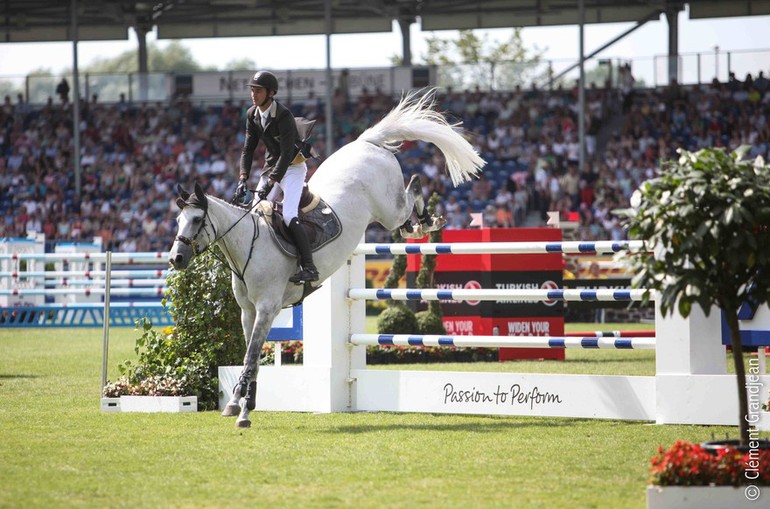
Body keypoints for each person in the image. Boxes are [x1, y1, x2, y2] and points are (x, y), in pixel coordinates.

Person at [235, 70, 318, 283]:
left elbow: (287, 152)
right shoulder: (252, 114)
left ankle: (309, 267)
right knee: (255, 214)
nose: (254, 94)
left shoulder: (283, 114)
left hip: (292, 167)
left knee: (289, 215)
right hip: (272, 167)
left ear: (271, 93)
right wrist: (243, 177)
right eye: (252, 90)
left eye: (258, 90)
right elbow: (247, 149)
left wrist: (271, 182)